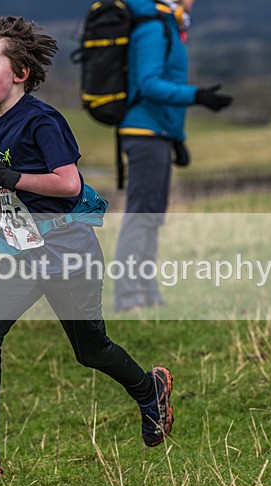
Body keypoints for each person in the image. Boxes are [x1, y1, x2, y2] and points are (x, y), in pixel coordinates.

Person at [0, 15, 174, 485]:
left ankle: (151, 390)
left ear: (20, 72)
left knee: (91, 349)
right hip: (25, 251)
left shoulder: (44, 121)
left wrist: (13, 180)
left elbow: (69, 183)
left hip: (69, 248)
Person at [113, 0, 233, 312]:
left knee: (151, 218)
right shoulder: (153, 28)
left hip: (159, 134)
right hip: (144, 134)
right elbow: (149, 84)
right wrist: (197, 96)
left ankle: (149, 295)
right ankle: (126, 299)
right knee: (140, 217)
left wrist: (177, 139)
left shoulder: (167, 25)